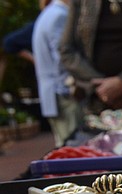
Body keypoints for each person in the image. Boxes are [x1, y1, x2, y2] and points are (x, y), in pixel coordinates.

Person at [32, 0, 83, 146]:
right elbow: (63, 58)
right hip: (64, 94)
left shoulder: (48, 13)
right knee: (74, 148)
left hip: (53, 94)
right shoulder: (59, 16)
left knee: (64, 147)